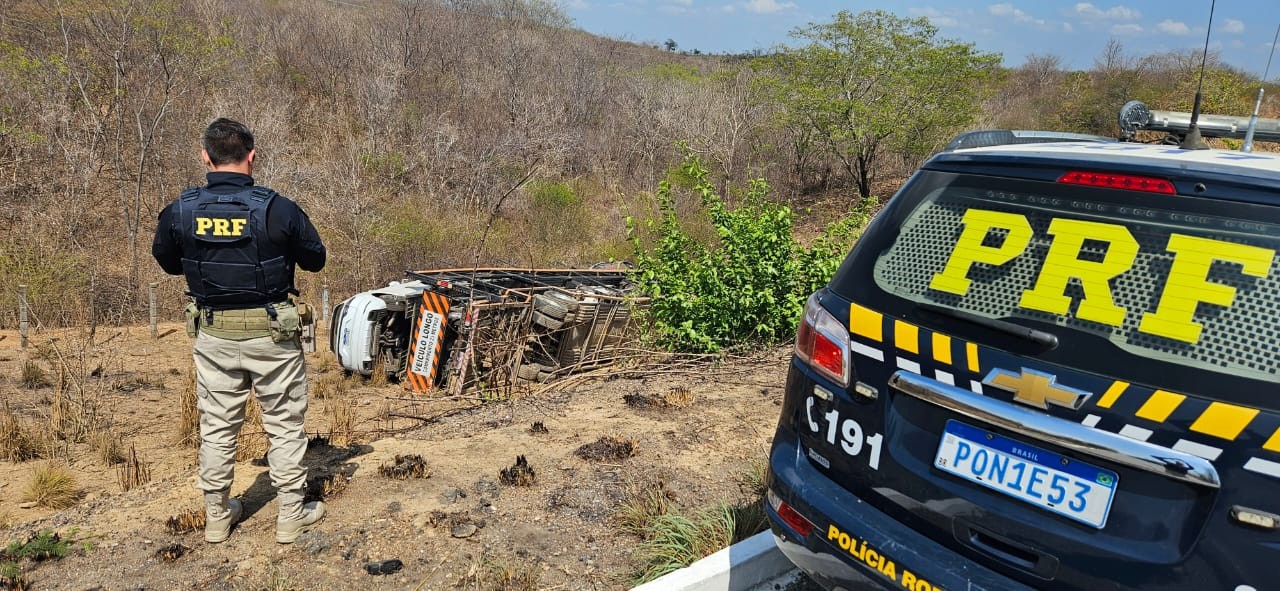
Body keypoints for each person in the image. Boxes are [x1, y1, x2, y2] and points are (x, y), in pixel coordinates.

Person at [152, 118, 327, 544]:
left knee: (216, 426)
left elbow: (169, 262)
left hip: (213, 336)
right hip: (272, 334)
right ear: (252, 156)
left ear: (205, 157)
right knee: (284, 425)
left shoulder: (181, 211)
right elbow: (315, 259)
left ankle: (216, 517)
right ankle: (290, 515)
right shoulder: (277, 208)